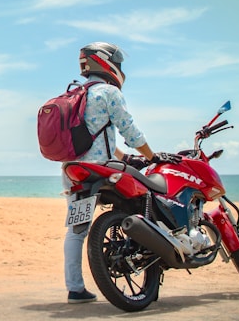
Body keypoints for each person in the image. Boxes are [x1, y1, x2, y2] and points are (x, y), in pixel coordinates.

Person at [62, 41, 178, 304]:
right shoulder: (107, 92)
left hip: (73, 171)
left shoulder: (74, 94)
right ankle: (151, 263)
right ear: (106, 63)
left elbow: (92, 136)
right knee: (143, 205)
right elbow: (129, 130)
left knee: (76, 232)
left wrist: (126, 158)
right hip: (102, 171)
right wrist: (151, 156)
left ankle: (75, 289)